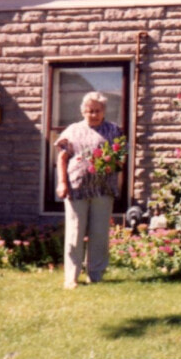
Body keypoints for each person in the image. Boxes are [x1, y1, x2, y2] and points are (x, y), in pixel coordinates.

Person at [55, 91, 123, 289]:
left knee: (100, 233)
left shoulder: (114, 130)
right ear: (83, 111)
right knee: (75, 232)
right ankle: (71, 278)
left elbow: (122, 156)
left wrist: (114, 164)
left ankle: (95, 275)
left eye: (97, 111)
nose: (93, 114)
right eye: (89, 110)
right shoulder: (72, 130)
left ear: (104, 111)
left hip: (103, 189)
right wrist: (62, 183)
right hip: (77, 189)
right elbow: (62, 158)